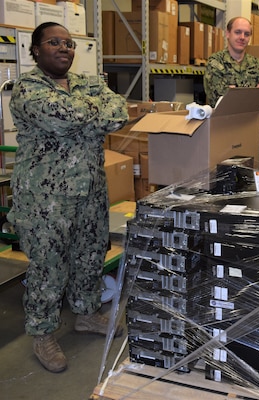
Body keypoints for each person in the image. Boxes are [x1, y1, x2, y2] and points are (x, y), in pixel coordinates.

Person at [8, 22, 129, 373]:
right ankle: (43, 333)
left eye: (70, 43)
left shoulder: (85, 82)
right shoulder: (28, 89)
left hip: (90, 189)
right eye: (55, 42)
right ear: (36, 50)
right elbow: (66, 117)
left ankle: (86, 314)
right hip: (45, 198)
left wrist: (88, 111)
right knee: (49, 266)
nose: (64, 48)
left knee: (90, 255)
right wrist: (94, 113)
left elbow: (118, 111)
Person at [203, 16, 259, 109]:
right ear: (228, 34)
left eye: (247, 34)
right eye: (237, 32)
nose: (242, 37)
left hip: (251, 121)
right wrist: (257, 92)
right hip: (224, 121)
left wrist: (235, 93)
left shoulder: (257, 64)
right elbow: (218, 100)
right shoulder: (216, 63)